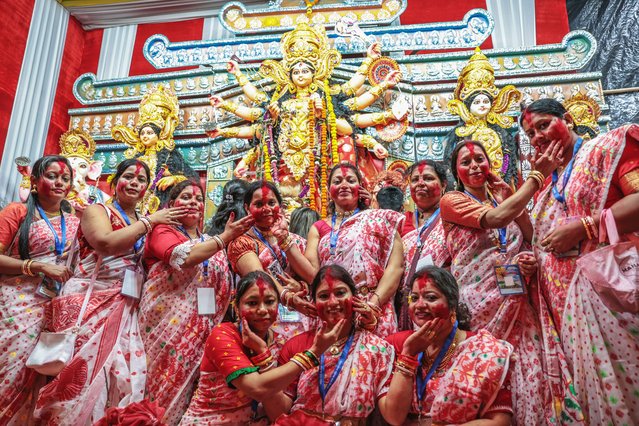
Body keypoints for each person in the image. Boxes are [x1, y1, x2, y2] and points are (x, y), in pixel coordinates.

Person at [440, 140, 584, 423]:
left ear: (490, 163)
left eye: (480, 159)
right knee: (488, 366)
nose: (474, 166)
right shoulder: (452, 201)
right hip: (477, 299)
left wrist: (527, 258)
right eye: (466, 162)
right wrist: (535, 178)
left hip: (516, 293)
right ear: (456, 172)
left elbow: (531, 237)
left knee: (528, 362)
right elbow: (496, 219)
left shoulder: (503, 199)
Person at [33, 159, 185, 424]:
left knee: (124, 374)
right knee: (84, 376)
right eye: (128, 177)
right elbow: (104, 243)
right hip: (90, 301)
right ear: (114, 184)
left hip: (126, 305)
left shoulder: (140, 219)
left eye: (141, 181)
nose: (134, 183)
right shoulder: (97, 211)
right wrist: (150, 222)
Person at [522, 98, 639, 424]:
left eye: (544, 125)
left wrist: (588, 227)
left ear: (569, 119)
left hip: (613, 299)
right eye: (531, 133)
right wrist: (534, 259)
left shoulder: (609, 149)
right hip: (564, 313)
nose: (538, 137)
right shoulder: (547, 184)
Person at [210, 23, 401, 213]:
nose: (300, 75)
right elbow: (259, 124)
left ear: (315, 72)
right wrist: (238, 81)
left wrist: (372, 64)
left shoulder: (328, 97)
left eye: (305, 71)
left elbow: (350, 113)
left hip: (319, 161)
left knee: (342, 150)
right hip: (284, 163)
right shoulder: (279, 102)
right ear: (289, 75)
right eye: (296, 72)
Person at [139, 180, 254, 425]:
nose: (194, 202)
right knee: (164, 383)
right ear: (171, 205)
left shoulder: (207, 239)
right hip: (167, 328)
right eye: (186, 197)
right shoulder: (162, 230)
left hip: (204, 327)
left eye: (198, 199)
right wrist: (225, 237)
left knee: (196, 389)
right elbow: (185, 258)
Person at [180, 271, 344, 425]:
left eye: (270, 302)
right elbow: (256, 388)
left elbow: (280, 411)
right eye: (252, 303)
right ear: (236, 307)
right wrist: (313, 353)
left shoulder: (281, 342)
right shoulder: (223, 335)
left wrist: (263, 354)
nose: (262, 310)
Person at [0, 155, 79, 424]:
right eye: (52, 176)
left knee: (44, 371)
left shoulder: (75, 219)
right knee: (12, 371)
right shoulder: (17, 212)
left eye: (65, 178)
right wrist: (38, 267)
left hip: (58, 305)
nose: (59, 182)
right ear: (34, 181)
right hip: (17, 304)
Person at [380, 266, 513, 425]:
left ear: (452, 306)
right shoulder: (396, 344)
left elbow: (500, 421)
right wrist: (408, 355)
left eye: (430, 297)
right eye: (414, 298)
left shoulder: (482, 350)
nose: (420, 305)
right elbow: (394, 418)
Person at [272, 265, 394, 424]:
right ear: (313, 303)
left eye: (340, 293)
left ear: (355, 297)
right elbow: (279, 411)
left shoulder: (377, 348)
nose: (333, 302)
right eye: (323, 296)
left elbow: (392, 416)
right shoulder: (297, 345)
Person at [295, 163, 404, 337]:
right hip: (333, 309)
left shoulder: (379, 218)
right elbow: (313, 274)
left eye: (350, 180)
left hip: (375, 307)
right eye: (337, 181)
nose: (344, 185)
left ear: (360, 188)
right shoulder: (318, 228)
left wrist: (373, 304)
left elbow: (396, 267)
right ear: (329, 189)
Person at [227, 181, 314, 344]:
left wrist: (284, 240)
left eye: (271, 203)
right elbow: (259, 275)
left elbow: (312, 277)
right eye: (259, 204)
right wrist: (289, 297)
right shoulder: (241, 243)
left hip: (302, 318)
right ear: (247, 208)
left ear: (280, 206)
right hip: (263, 319)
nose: (266, 209)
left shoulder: (297, 242)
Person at [398, 160, 450, 331]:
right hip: (409, 303)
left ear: (443, 185)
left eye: (428, 178)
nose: (420, 183)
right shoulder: (401, 221)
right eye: (414, 180)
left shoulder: (452, 218)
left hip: (441, 300)